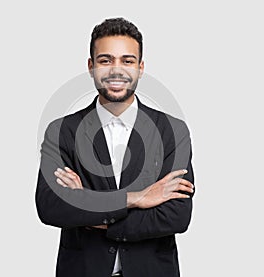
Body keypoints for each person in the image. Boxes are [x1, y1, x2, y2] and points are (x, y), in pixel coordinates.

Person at [36, 17, 195, 277]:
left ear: (141, 68)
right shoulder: (61, 130)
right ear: (91, 66)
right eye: (106, 60)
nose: (116, 70)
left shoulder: (172, 130)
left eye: (127, 61)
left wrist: (90, 209)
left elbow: (176, 215)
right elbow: (51, 206)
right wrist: (138, 198)